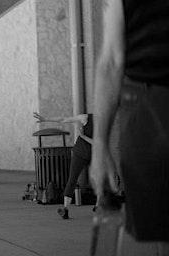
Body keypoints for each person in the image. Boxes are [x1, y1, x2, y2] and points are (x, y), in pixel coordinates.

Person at [90, 0, 169, 252]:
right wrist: (99, 148)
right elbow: (111, 60)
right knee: (161, 226)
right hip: (147, 105)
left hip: (145, 104)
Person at [33, 112, 94, 219]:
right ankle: (65, 209)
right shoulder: (86, 118)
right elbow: (64, 118)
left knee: (101, 179)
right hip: (79, 153)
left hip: (95, 154)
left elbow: (97, 143)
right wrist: (46, 118)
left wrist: (83, 136)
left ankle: (99, 206)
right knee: (72, 179)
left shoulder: (106, 125)